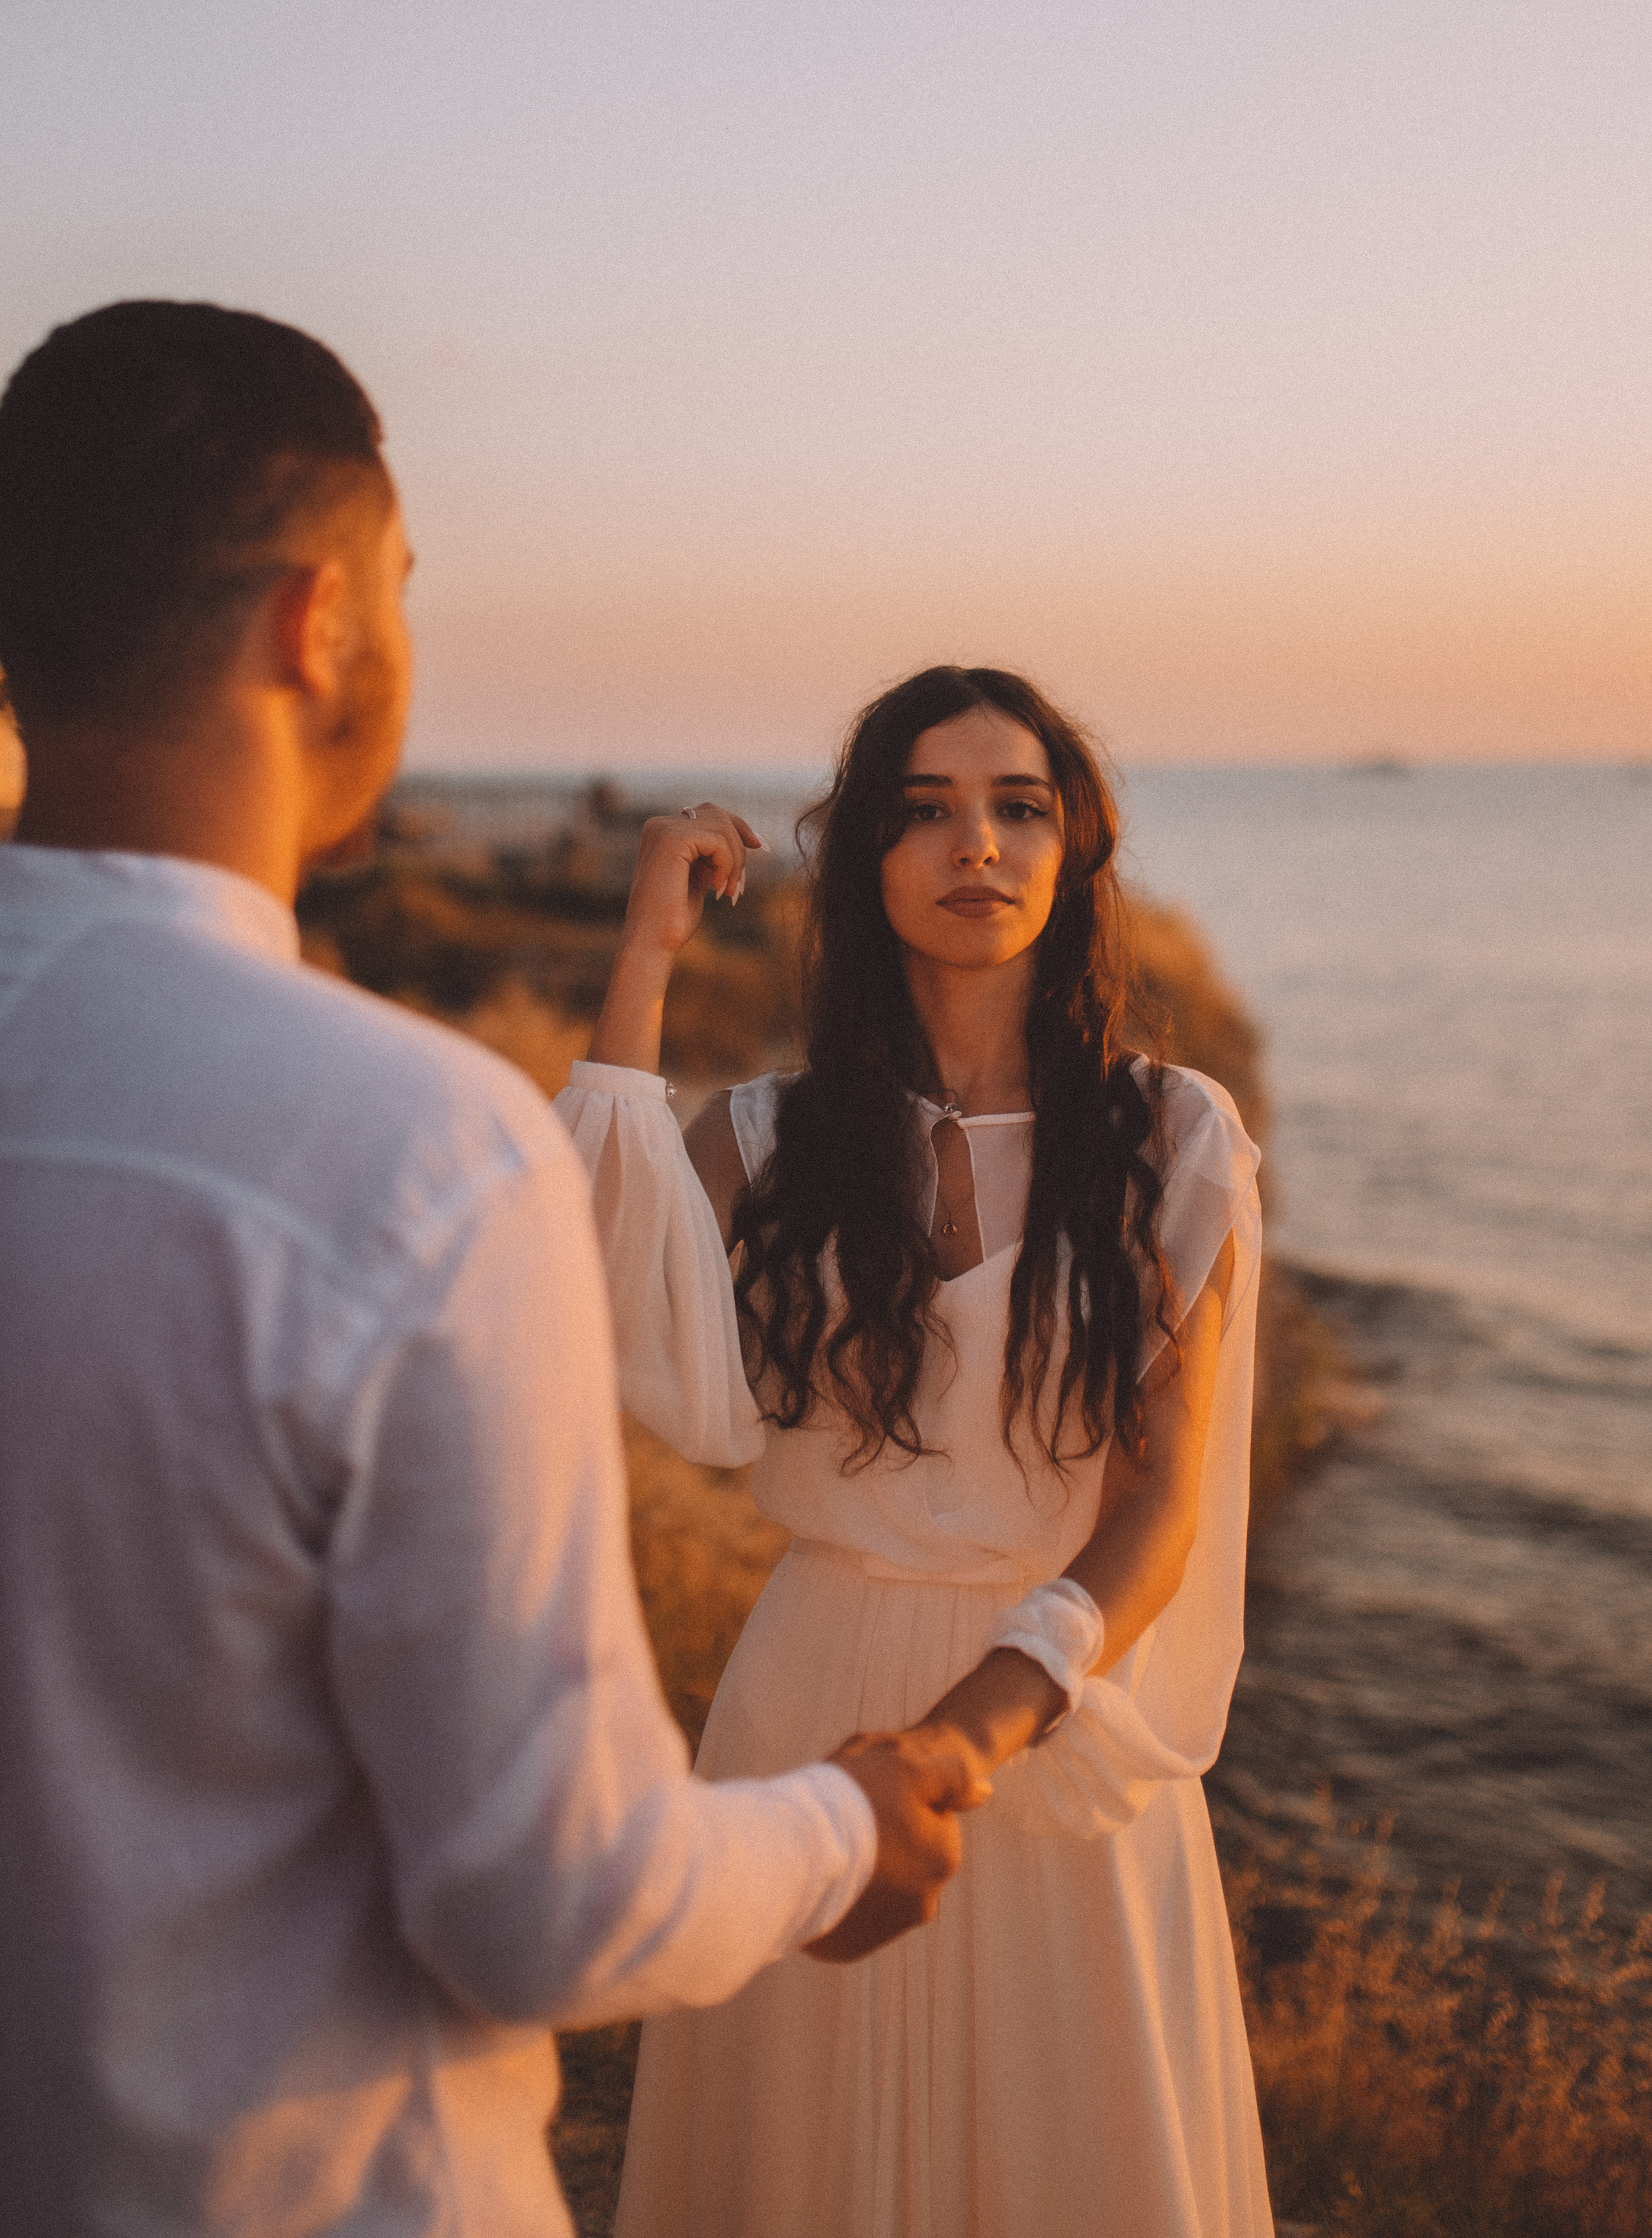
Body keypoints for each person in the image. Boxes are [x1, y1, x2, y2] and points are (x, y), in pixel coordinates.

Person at [0, 302, 987, 2238]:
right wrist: (840, 1837)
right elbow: (552, 1901)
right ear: (320, 625)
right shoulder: (408, 1152)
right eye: (407, 591)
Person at [556, 664, 1276, 2237]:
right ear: (867, 862)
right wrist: (645, 954)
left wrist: (972, 1728)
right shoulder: (760, 1140)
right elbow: (595, 1290)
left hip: (1058, 1717)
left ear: (1072, 853)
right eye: (925, 811)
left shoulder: (1172, 1137)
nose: (978, 847)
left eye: (1019, 807)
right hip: (808, 1694)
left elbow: (1155, 1509)